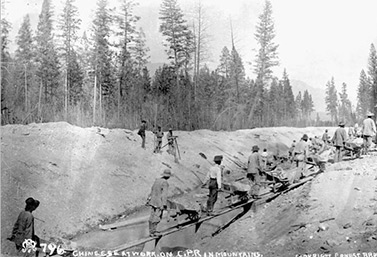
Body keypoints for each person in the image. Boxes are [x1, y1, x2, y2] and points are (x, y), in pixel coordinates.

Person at [146, 169, 172, 236]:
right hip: (159, 202)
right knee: (157, 216)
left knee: (152, 216)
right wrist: (164, 204)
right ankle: (153, 232)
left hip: (153, 201)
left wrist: (149, 199)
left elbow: (152, 190)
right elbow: (164, 194)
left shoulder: (157, 180)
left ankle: (150, 231)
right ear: (168, 176)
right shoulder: (165, 183)